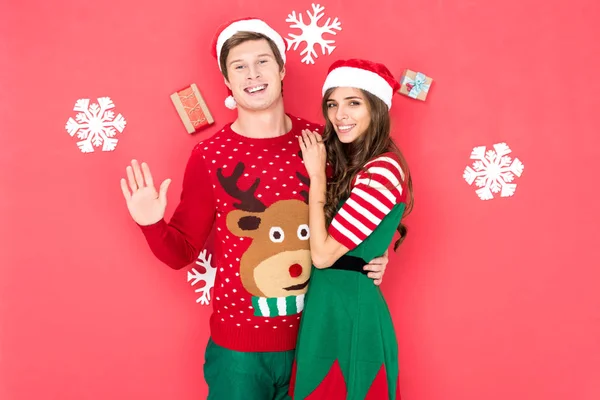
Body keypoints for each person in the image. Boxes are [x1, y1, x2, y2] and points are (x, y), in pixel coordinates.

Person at [119, 19, 390, 400]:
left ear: (281, 69)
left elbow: (360, 215)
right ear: (227, 81)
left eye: (262, 62)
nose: (253, 74)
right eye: (239, 66)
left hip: (319, 338)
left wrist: (376, 257)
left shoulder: (325, 143)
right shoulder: (208, 156)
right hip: (239, 354)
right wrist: (150, 224)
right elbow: (180, 252)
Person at [290, 59, 414, 400]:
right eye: (333, 104)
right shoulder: (358, 166)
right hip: (328, 307)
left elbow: (324, 254)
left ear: (376, 108)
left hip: (349, 313)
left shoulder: (383, 170)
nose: (339, 114)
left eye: (353, 103)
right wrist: (374, 255)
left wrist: (316, 178)